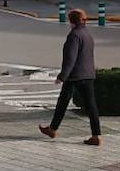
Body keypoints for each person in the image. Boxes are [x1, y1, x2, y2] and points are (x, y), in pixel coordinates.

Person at [39, 9, 101, 146]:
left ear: (71, 21)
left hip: (75, 75)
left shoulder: (74, 35)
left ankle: (52, 129)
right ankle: (96, 135)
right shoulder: (87, 34)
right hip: (88, 74)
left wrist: (62, 76)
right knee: (91, 106)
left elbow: (70, 58)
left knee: (63, 102)